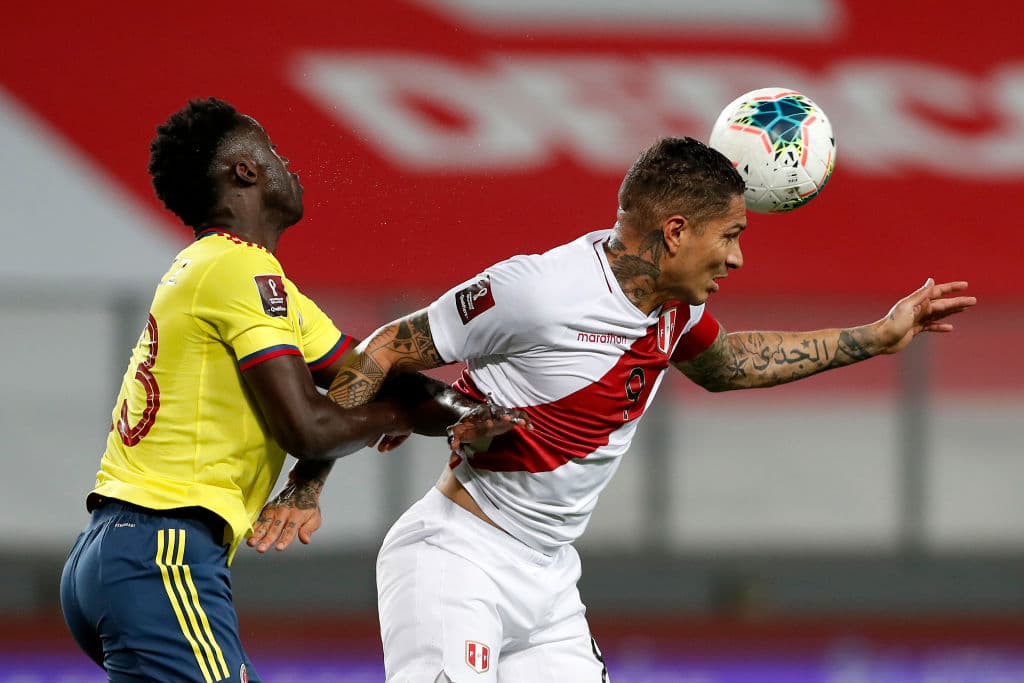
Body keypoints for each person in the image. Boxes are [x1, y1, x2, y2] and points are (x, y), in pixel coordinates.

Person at [320, 136, 977, 681]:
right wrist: (309, 474)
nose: (738, 257)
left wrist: (876, 337)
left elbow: (729, 364)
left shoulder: (675, 305)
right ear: (675, 231)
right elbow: (383, 347)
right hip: (457, 558)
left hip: (548, 581)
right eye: (732, 235)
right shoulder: (541, 291)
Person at [58, 97, 526, 683]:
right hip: (161, 552)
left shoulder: (237, 275)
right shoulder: (238, 271)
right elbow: (307, 428)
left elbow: (379, 375)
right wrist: (394, 416)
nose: (289, 164)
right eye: (273, 151)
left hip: (122, 550)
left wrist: (464, 414)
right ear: (245, 172)